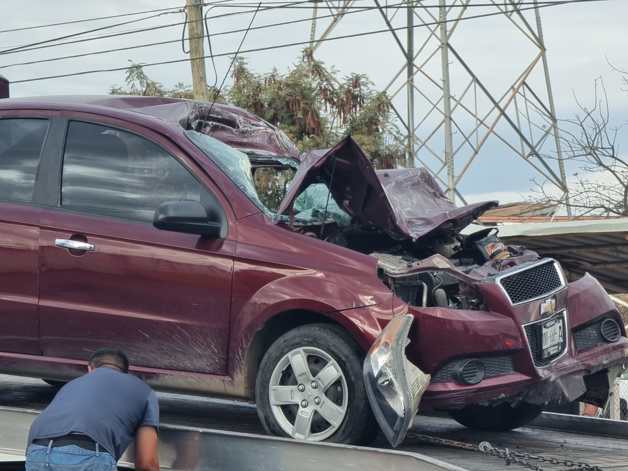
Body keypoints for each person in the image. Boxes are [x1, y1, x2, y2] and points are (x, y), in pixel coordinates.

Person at [25, 348, 160, 471]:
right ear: (125, 372)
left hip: (38, 452)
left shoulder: (71, 384)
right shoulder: (144, 391)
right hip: (89, 455)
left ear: (90, 368)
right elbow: (147, 463)